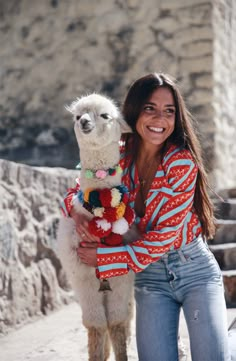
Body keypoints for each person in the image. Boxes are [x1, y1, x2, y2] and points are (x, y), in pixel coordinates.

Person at [61, 73, 236, 361]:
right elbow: (80, 186)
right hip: (149, 277)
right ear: (134, 111)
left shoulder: (181, 162)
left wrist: (105, 259)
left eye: (169, 111)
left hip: (194, 270)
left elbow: (163, 238)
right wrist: (76, 213)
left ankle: (229, 343)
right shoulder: (116, 153)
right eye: (150, 108)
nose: (160, 119)